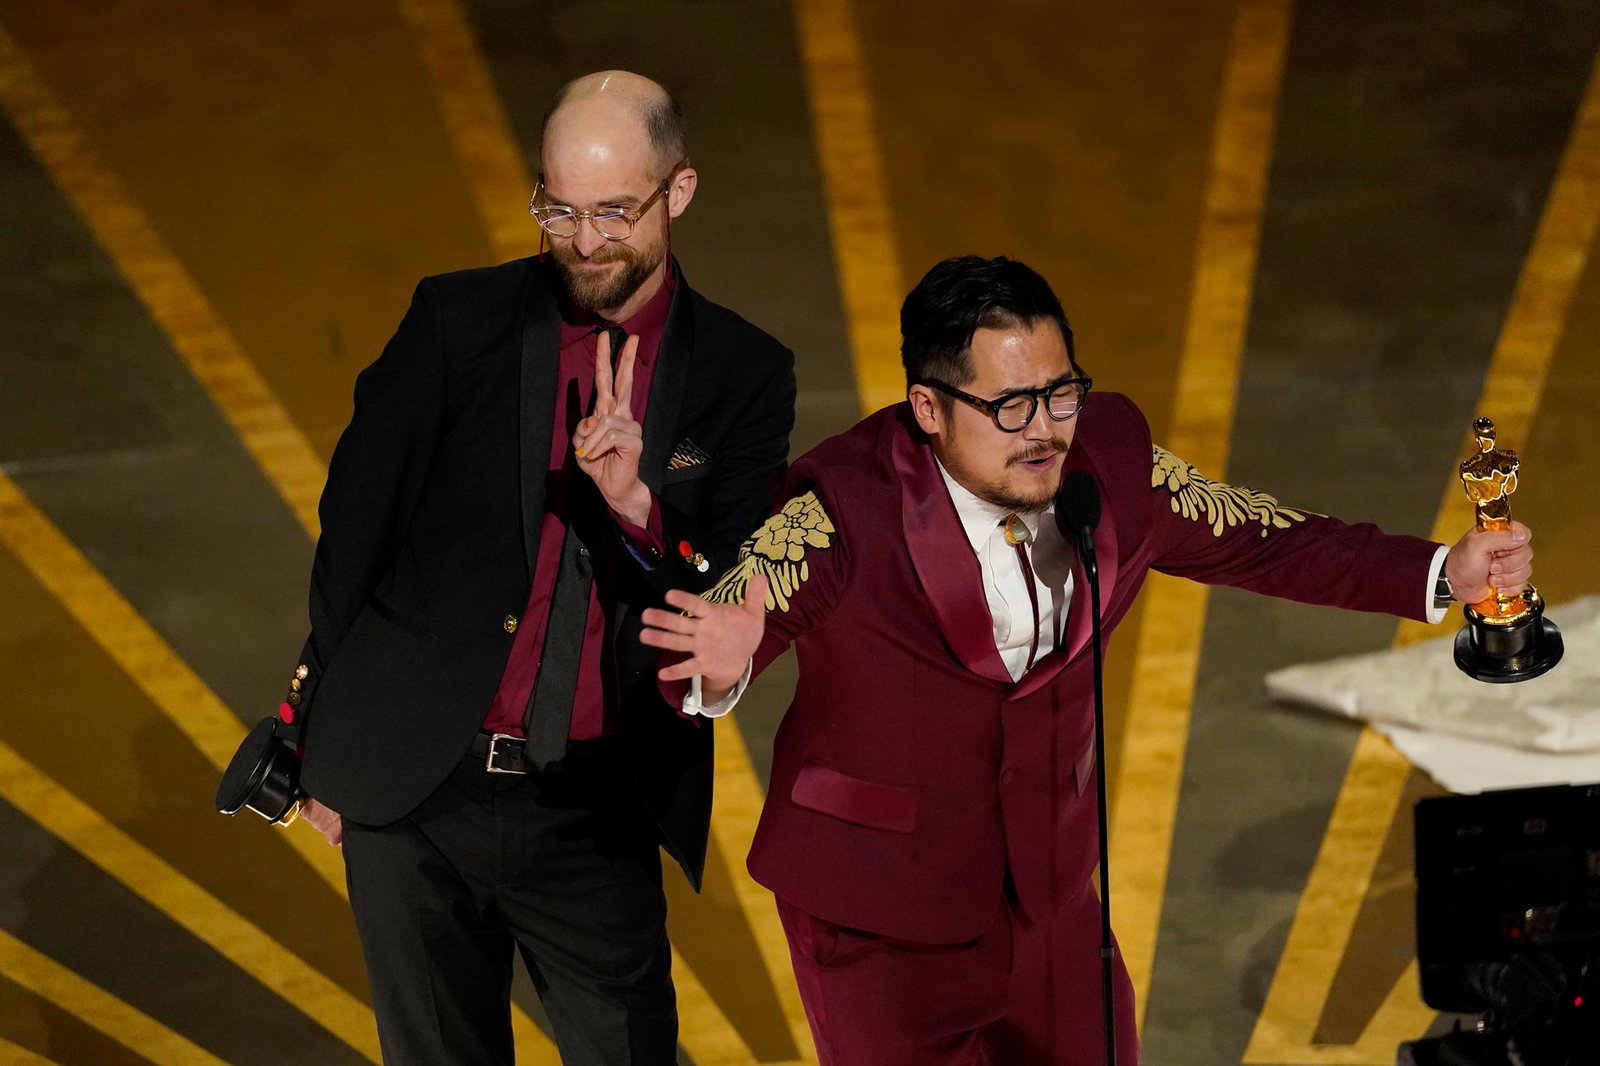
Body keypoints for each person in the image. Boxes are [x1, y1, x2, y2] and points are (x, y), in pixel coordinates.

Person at [640, 255, 1533, 1066]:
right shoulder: (841, 510)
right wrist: (721, 669)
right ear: (929, 409)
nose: (1044, 431)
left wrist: (1440, 572)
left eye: (1061, 393)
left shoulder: (1112, 463)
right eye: (1010, 406)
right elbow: (720, 635)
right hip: (880, 921)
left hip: (1051, 900)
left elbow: (1261, 538)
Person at [279, 71, 796, 1065]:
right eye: (558, 210)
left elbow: (727, 583)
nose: (584, 241)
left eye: (613, 212)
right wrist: (325, 745)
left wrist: (638, 507)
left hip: (594, 806)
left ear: (678, 192)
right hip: (415, 793)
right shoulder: (454, 323)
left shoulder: (743, 372)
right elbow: (354, 532)